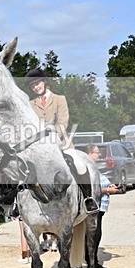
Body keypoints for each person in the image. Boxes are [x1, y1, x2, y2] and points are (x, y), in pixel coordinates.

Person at [25, 68, 98, 214]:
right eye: (32, 86)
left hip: (62, 143)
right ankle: (19, 204)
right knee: (24, 169)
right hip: (40, 146)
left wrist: (52, 138)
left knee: (80, 164)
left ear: (44, 82)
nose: (36, 87)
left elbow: (63, 122)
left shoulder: (59, 99)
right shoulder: (31, 104)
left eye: (37, 83)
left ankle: (88, 198)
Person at [83, 144, 119, 268]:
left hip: (99, 206)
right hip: (94, 206)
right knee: (94, 234)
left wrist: (110, 186)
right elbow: (92, 188)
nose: (99, 155)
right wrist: (108, 190)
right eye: (97, 152)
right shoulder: (87, 168)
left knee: (96, 234)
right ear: (89, 154)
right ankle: (91, 262)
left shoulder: (94, 168)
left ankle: (92, 260)